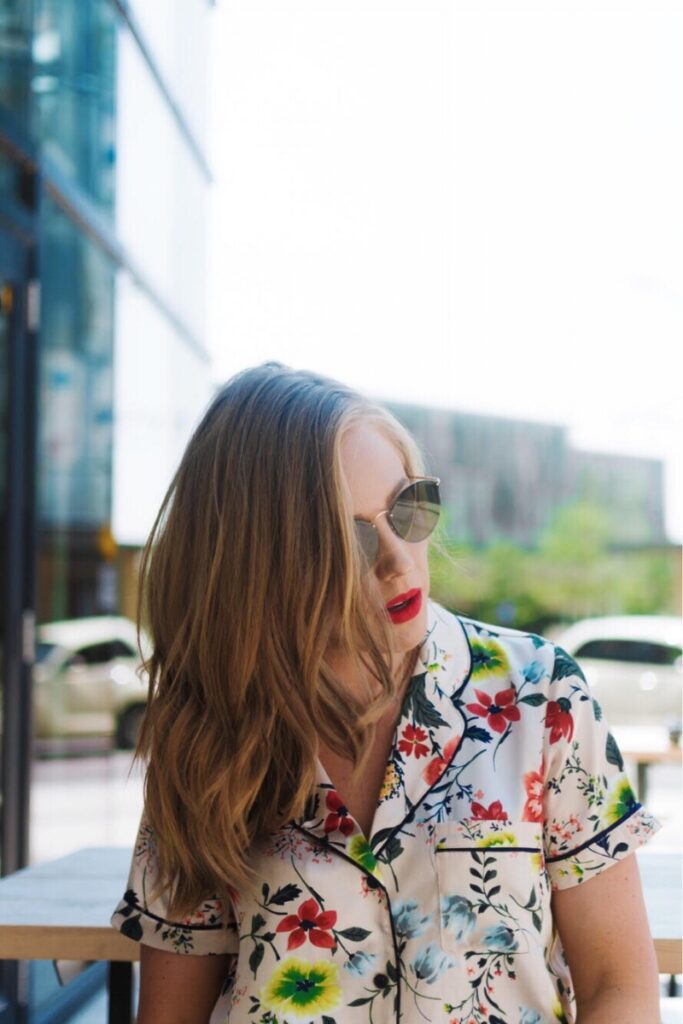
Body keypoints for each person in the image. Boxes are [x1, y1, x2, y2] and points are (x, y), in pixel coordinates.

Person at [111, 362, 662, 1024]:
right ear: (261, 561)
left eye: (409, 506)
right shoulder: (206, 730)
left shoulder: (540, 697)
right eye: (348, 538)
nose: (398, 558)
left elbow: (618, 987)